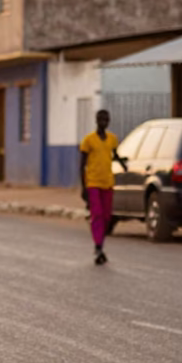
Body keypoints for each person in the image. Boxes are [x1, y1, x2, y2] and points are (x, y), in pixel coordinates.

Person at [79, 109, 125, 265]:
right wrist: (83, 187)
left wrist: (123, 163)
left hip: (108, 183)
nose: (104, 121)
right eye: (101, 119)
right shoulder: (88, 140)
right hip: (93, 183)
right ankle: (98, 246)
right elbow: (82, 165)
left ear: (109, 121)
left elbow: (114, 154)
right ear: (96, 120)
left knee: (106, 217)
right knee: (97, 215)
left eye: (106, 119)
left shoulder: (112, 139)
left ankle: (100, 245)